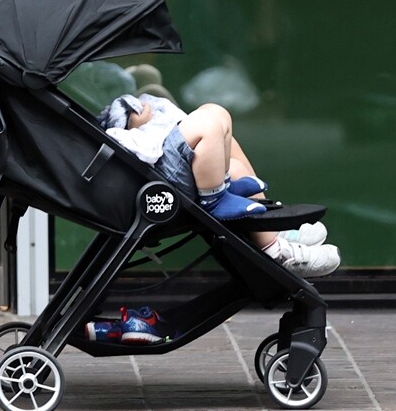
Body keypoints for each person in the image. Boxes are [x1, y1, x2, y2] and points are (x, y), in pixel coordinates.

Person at [99, 94, 340, 276]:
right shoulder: (117, 130)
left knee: (216, 112)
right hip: (158, 175)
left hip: (168, 163)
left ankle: (267, 225)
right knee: (207, 123)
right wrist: (134, 121)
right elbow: (127, 143)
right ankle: (274, 250)